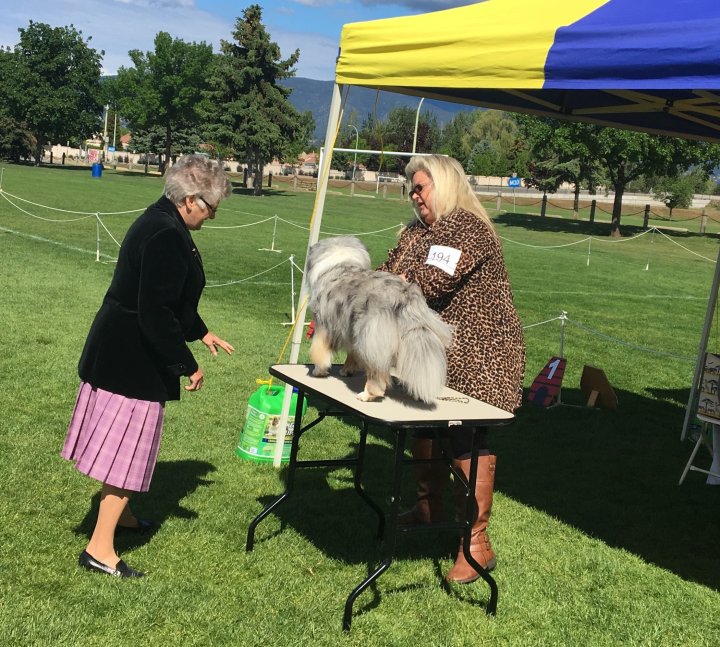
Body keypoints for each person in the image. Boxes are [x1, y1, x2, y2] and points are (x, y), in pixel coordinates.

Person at [61, 154, 235, 578]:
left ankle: (122, 518)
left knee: (123, 449)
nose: (213, 216)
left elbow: (171, 297)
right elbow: (155, 311)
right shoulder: (165, 233)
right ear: (190, 200)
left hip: (122, 350)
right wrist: (185, 363)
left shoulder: (161, 220)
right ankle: (100, 549)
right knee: (126, 453)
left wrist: (201, 332)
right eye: (212, 208)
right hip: (131, 359)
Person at [377, 154, 525, 583]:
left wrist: (374, 296)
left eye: (421, 186)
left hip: (481, 355)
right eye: (412, 189)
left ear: (443, 184)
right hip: (435, 357)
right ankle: (428, 509)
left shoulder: (465, 228)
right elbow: (386, 273)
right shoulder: (414, 233)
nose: (414, 195)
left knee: (466, 438)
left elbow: (427, 284)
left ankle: (476, 544)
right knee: (426, 430)